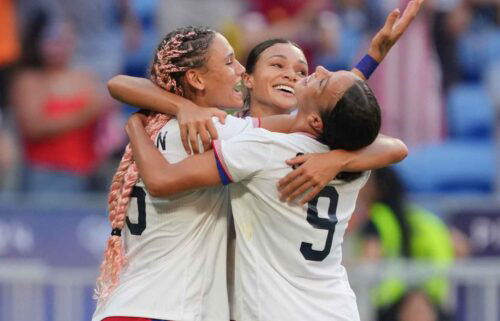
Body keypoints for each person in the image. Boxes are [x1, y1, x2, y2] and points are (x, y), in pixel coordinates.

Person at [93, 14, 416, 320]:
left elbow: (336, 108)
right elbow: (357, 123)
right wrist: (341, 155)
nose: (297, 74)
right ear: (247, 79)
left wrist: (136, 122)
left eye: (302, 72)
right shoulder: (237, 134)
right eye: (276, 64)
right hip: (309, 308)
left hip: (220, 307)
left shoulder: (251, 144)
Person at [124, 66, 388, 320]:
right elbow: (389, 143)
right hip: (338, 309)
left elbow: (161, 179)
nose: (318, 69)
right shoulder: (358, 161)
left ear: (316, 121)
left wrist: (136, 126)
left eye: (322, 81)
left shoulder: (266, 149)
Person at [11, 11, 110, 193]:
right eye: (54, 41)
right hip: (47, 173)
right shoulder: (29, 80)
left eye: (67, 40)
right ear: (38, 42)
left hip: (89, 173)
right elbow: (34, 127)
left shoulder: (85, 77)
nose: (61, 47)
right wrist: (85, 114)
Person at [356, 167, 454, 321]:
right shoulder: (425, 218)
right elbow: (460, 246)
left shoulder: (378, 218)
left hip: (393, 305)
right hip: (434, 302)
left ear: (375, 188)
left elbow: (368, 261)